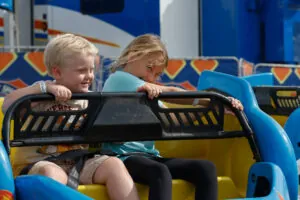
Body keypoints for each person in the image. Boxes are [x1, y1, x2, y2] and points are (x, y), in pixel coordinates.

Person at [101, 34, 244, 200]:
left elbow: (174, 121)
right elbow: (173, 93)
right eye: (149, 68)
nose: (151, 77)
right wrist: (214, 101)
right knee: (159, 172)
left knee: (205, 168)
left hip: (148, 155)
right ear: (132, 56)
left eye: (157, 74)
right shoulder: (120, 79)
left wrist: (211, 108)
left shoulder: (148, 91)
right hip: (121, 157)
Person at [2, 33, 139, 200]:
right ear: (57, 72)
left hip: (79, 161)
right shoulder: (40, 94)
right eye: (82, 71)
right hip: (40, 162)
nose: (89, 76)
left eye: (91, 70)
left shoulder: (91, 100)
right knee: (52, 173)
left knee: (114, 164)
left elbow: (107, 134)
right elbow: (7, 105)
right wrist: (44, 89)